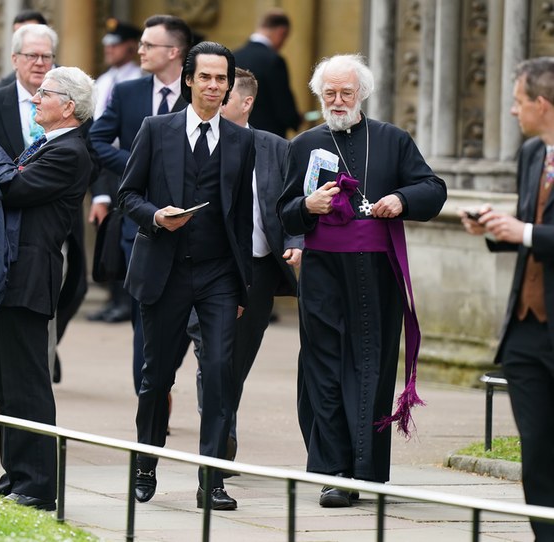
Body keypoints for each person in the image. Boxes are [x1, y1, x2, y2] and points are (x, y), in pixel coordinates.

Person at [277, 53, 446, 508]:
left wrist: (400, 198)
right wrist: (304, 209)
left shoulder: (392, 140)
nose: (336, 101)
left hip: (376, 274)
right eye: (328, 93)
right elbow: (283, 209)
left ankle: (365, 471)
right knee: (324, 367)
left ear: (362, 94)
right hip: (321, 275)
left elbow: (434, 189)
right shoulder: (304, 144)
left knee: (368, 367)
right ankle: (333, 472)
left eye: (345, 93)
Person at [119, 41, 255, 510]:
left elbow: (239, 218)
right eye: (207, 77)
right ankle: (144, 462)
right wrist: (157, 217)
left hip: (219, 274)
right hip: (166, 270)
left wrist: (241, 285)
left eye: (223, 79)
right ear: (190, 80)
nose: (215, 86)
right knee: (157, 376)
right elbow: (128, 194)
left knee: (219, 373)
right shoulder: (156, 130)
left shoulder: (242, 140)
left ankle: (212, 481)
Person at [0, 66, 95, 511]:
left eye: (43, 93)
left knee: (29, 383)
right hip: (11, 271)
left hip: (30, 273)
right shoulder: (47, 144)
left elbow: (10, 187)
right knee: (10, 383)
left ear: (68, 106)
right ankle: (17, 474)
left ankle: (36, 484)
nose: (34, 99)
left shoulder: (70, 151)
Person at [460, 57, 554, 541]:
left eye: (518, 102)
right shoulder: (532, 154)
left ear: (541, 103)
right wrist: (493, 229)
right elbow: (527, 227)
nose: (514, 112)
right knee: (536, 452)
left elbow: (535, 230)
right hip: (525, 333)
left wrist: (528, 231)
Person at [194, 67, 302, 461]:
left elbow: (291, 207)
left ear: (246, 103)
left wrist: (295, 244)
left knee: (235, 362)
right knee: (213, 356)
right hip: (206, 269)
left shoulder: (276, 148)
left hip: (256, 272)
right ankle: (219, 444)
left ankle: (223, 423)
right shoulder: (197, 141)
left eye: (225, 95)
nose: (215, 100)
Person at [90, 14, 192, 393]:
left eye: (150, 45)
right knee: (142, 318)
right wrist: (138, 167)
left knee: (185, 323)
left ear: (175, 51)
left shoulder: (200, 93)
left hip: (192, 225)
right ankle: (149, 397)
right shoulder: (128, 91)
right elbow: (97, 141)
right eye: (142, 43)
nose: (141, 50)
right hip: (139, 224)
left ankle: (162, 378)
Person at [86, 18, 143, 324]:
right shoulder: (104, 81)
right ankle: (113, 297)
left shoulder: (139, 80)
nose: (109, 49)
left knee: (128, 234)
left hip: (128, 161)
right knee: (108, 234)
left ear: (132, 47)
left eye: (116, 44)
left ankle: (126, 300)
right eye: (106, 44)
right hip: (105, 163)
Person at [233, 8, 300, 139]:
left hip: (234, 134)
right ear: (281, 32)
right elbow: (283, 107)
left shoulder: (233, 56)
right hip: (266, 139)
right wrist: (295, 119)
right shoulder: (274, 60)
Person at [0, 10, 49, 91]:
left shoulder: (68, 81)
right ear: (14, 59)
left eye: (30, 34)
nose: (39, 62)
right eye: (18, 35)